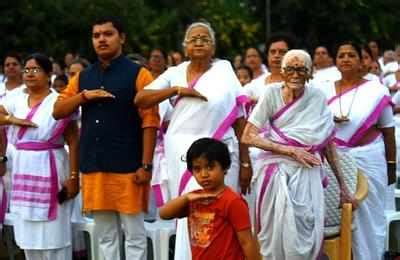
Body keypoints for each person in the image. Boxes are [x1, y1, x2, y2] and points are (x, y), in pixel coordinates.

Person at [135, 21, 251, 260]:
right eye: (194, 39)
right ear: (185, 46)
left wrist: (247, 164)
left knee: (222, 209)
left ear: (214, 46)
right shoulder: (174, 73)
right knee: (190, 210)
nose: (199, 42)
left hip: (220, 155)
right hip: (183, 156)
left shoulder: (225, 71)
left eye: (205, 39)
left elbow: (240, 120)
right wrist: (176, 90)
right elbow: (141, 98)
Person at [53, 16, 159, 260]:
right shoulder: (82, 78)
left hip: (129, 167)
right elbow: (58, 111)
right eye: (96, 35)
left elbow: (150, 121)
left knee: (134, 235)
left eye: (108, 34)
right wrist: (83, 97)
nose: (101, 39)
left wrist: (145, 165)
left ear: (121, 38)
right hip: (95, 166)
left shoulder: (139, 74)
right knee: (104, 236)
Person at [241, 49, 354, 260]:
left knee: (305, 226)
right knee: (273, 233)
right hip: (275, 173)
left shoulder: (317, 97)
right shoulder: (271, 93)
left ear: (310, 73)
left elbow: (328, 142)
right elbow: (248, 136)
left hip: (307, 174)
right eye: (291, 69)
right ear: (282, 72)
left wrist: (343, 187)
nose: (295, 74)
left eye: (301, 69)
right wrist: (291, 150)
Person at [0, 53, 79, 260]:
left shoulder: (58, 101)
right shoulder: (16, 99)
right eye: (26, 70)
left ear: (48, 74)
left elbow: (73, 141)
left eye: (35, 69)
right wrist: (12, 119)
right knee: (29, 239)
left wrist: (73, 176)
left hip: (52, 164)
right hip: (23, 167)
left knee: (55, 238)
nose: (29, 74)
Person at [321, 41, 396, 260]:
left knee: (368, 218)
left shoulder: (376, 90)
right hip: (333, 161)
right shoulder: (323, 89)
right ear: (336, 61)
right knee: (336, 217)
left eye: (351, 55)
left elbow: (388, 133)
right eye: (341, 55)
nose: (346, 59)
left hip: (369, 157)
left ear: (361, 61)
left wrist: (391, 166)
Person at [160, 138, 260, 260]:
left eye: (210, 167)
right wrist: (186, 197)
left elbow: (247, 242)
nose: (204, 174)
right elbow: (164, 214)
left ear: (225, 167)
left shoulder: (232, 201)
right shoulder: (194, 199)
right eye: (197, 169)